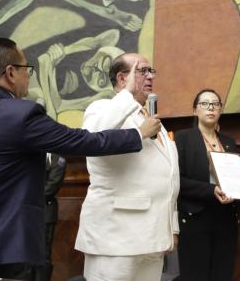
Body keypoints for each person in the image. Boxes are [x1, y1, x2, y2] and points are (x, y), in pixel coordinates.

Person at [0, 38, 161, 280]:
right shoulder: (21, 114)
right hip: (3, 249)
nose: (29, 77)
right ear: (10, 73)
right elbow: (85, 141)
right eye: (27, 69)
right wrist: (138, 134)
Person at [74, 53, 180, 281]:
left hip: (153, 236)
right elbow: (93, 137)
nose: (150, 76)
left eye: (152, 71)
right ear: (122, 79)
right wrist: (127, 95)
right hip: (117, 238)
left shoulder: (154, 121)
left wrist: (172, 227)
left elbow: (168, 178)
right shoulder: (102, 107)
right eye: (142, 71)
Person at [174, 89, 240, 281]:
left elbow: (237, 177)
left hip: (225, 218)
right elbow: (177, 180)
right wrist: (211, 191)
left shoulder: (228, 142)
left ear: (220, 110)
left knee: (222, 273)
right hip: (195, 218)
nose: (210, 108)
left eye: (215, 104)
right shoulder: (183, 138)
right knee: (195, 275)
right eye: (205, 104)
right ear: (195, 110)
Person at [34, 153, 67, 281]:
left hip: (45, 211)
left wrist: (29, 197)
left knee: (43, 254)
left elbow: (54, 183)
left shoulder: (58, 156)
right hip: (27, 213)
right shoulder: (32, 151)